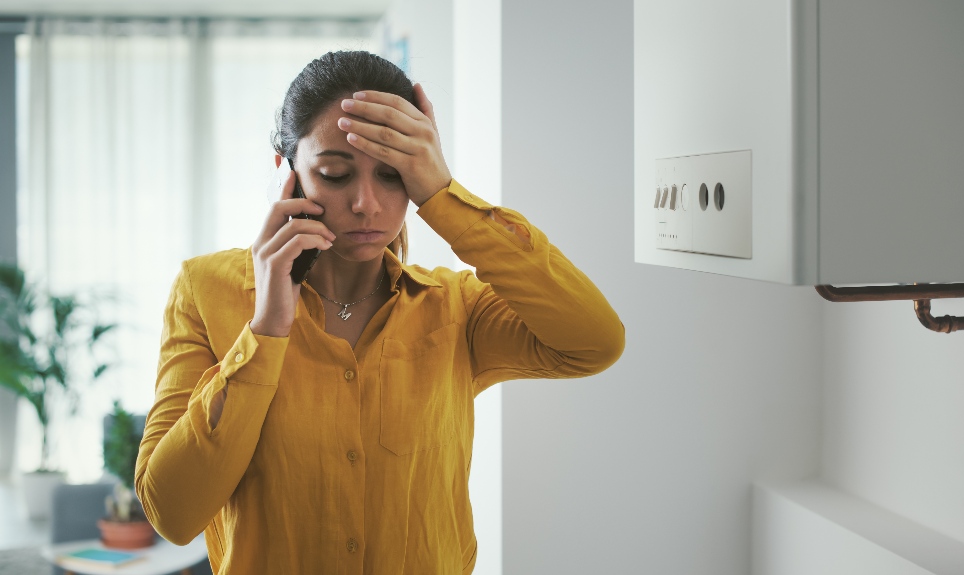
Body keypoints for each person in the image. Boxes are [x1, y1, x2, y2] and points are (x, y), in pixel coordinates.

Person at [135, 50, 624, 575]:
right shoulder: (205, 292)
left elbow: (595, 341)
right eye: (334, 174)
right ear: (288, 173)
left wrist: (443, 195)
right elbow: (172, 513)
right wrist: (266, 330)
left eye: (393, 176)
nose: (366, 203)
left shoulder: (456, 308)